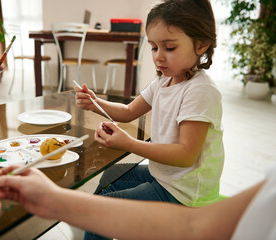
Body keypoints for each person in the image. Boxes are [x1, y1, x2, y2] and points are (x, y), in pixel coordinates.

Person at [77, 1, 222, 237]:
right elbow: (128, 111)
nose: (158, 57)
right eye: (154, 48)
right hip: (164, 176)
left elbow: (186, 155)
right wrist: (95, 103)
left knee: (97, 216)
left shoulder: (201, 90)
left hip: (183, 194)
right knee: (107, 178)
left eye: (169, 48)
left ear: (201, 44)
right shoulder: (163, 81)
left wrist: (129, 144)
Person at [0, 164, 275, 240]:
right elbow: (198, 228)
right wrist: (57, 200)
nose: (158, 57)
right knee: (104, 185)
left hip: (177, 190)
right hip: (165, 183)